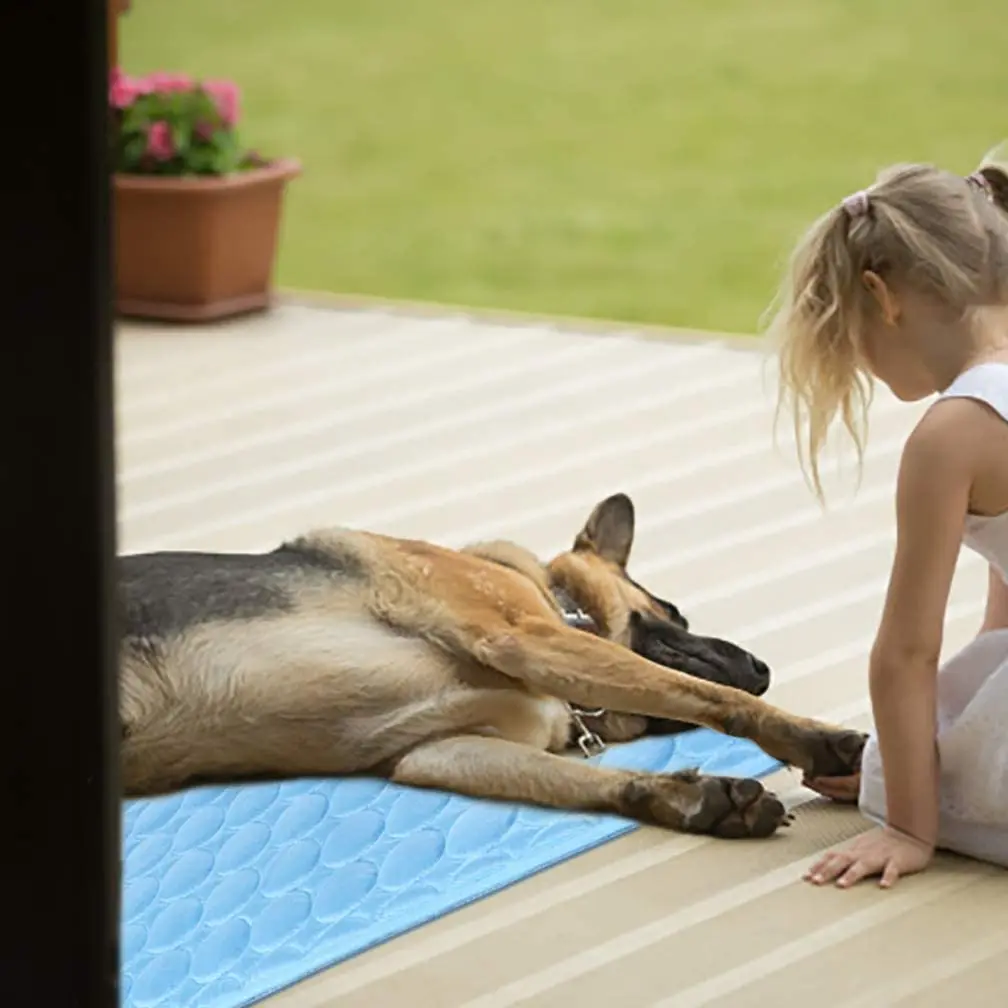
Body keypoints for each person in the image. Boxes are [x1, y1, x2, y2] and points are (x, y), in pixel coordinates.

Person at [767, 144, 1008, 889]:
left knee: (898, 776)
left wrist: (907, 819)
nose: (862, 365)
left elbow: (906, 653)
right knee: (922, 744)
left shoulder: (955, 432)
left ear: (882, 296)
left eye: (850, 339)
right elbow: (999, 630)